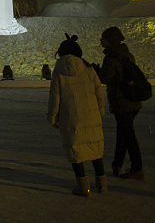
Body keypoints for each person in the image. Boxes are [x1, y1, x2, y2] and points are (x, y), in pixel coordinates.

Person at [47, 33, 106, 196]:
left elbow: (55, 96)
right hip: (92, 114)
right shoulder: (88, 67)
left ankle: (84, 187)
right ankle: (102, 186)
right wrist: (101, 110)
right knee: (95, 151)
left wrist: (52, 117)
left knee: (76, 152)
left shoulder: (59, 69)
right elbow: (98, 90)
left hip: (71, 117)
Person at [96, 26, 144, 180]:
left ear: (109, 40)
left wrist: (95, 71)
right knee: (123, 134)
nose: (100, 41)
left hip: (122, 102)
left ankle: (137, 168)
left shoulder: (111, 57)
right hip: (133, 100)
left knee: (128, 136)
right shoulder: (127, 54)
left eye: (102, 38)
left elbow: (106, 78)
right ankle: (117, 165)